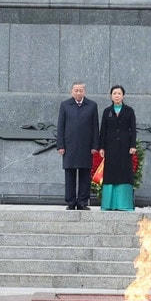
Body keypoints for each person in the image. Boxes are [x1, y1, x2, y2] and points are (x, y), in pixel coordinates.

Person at [56, 82, 99, 210]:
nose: (78, 92)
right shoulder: (65, 105)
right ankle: (70, 202)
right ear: (72, 92)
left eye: (81, 90)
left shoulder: (92, 105)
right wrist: (60, 145)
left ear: (84, 92)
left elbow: (95, 127)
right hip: (69, 146)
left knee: (85, 175)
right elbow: (60, 127)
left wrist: (95, 145)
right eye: (76, 90)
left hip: (86, 146)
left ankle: (82, 202)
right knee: (70, 175)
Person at [98, 85, 137, 211]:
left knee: (124, 173)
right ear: (111, 96)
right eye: (114, 93)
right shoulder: (106, 111)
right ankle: (109, 204)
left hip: (125, 148)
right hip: (110, 148)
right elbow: (103, 130)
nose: (117, 95)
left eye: (119, 93)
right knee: (110, 174)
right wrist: (101, 147)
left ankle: (124, 204)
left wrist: (132, 145)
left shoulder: (129, 111)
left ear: (123, 96)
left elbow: (133, 129)